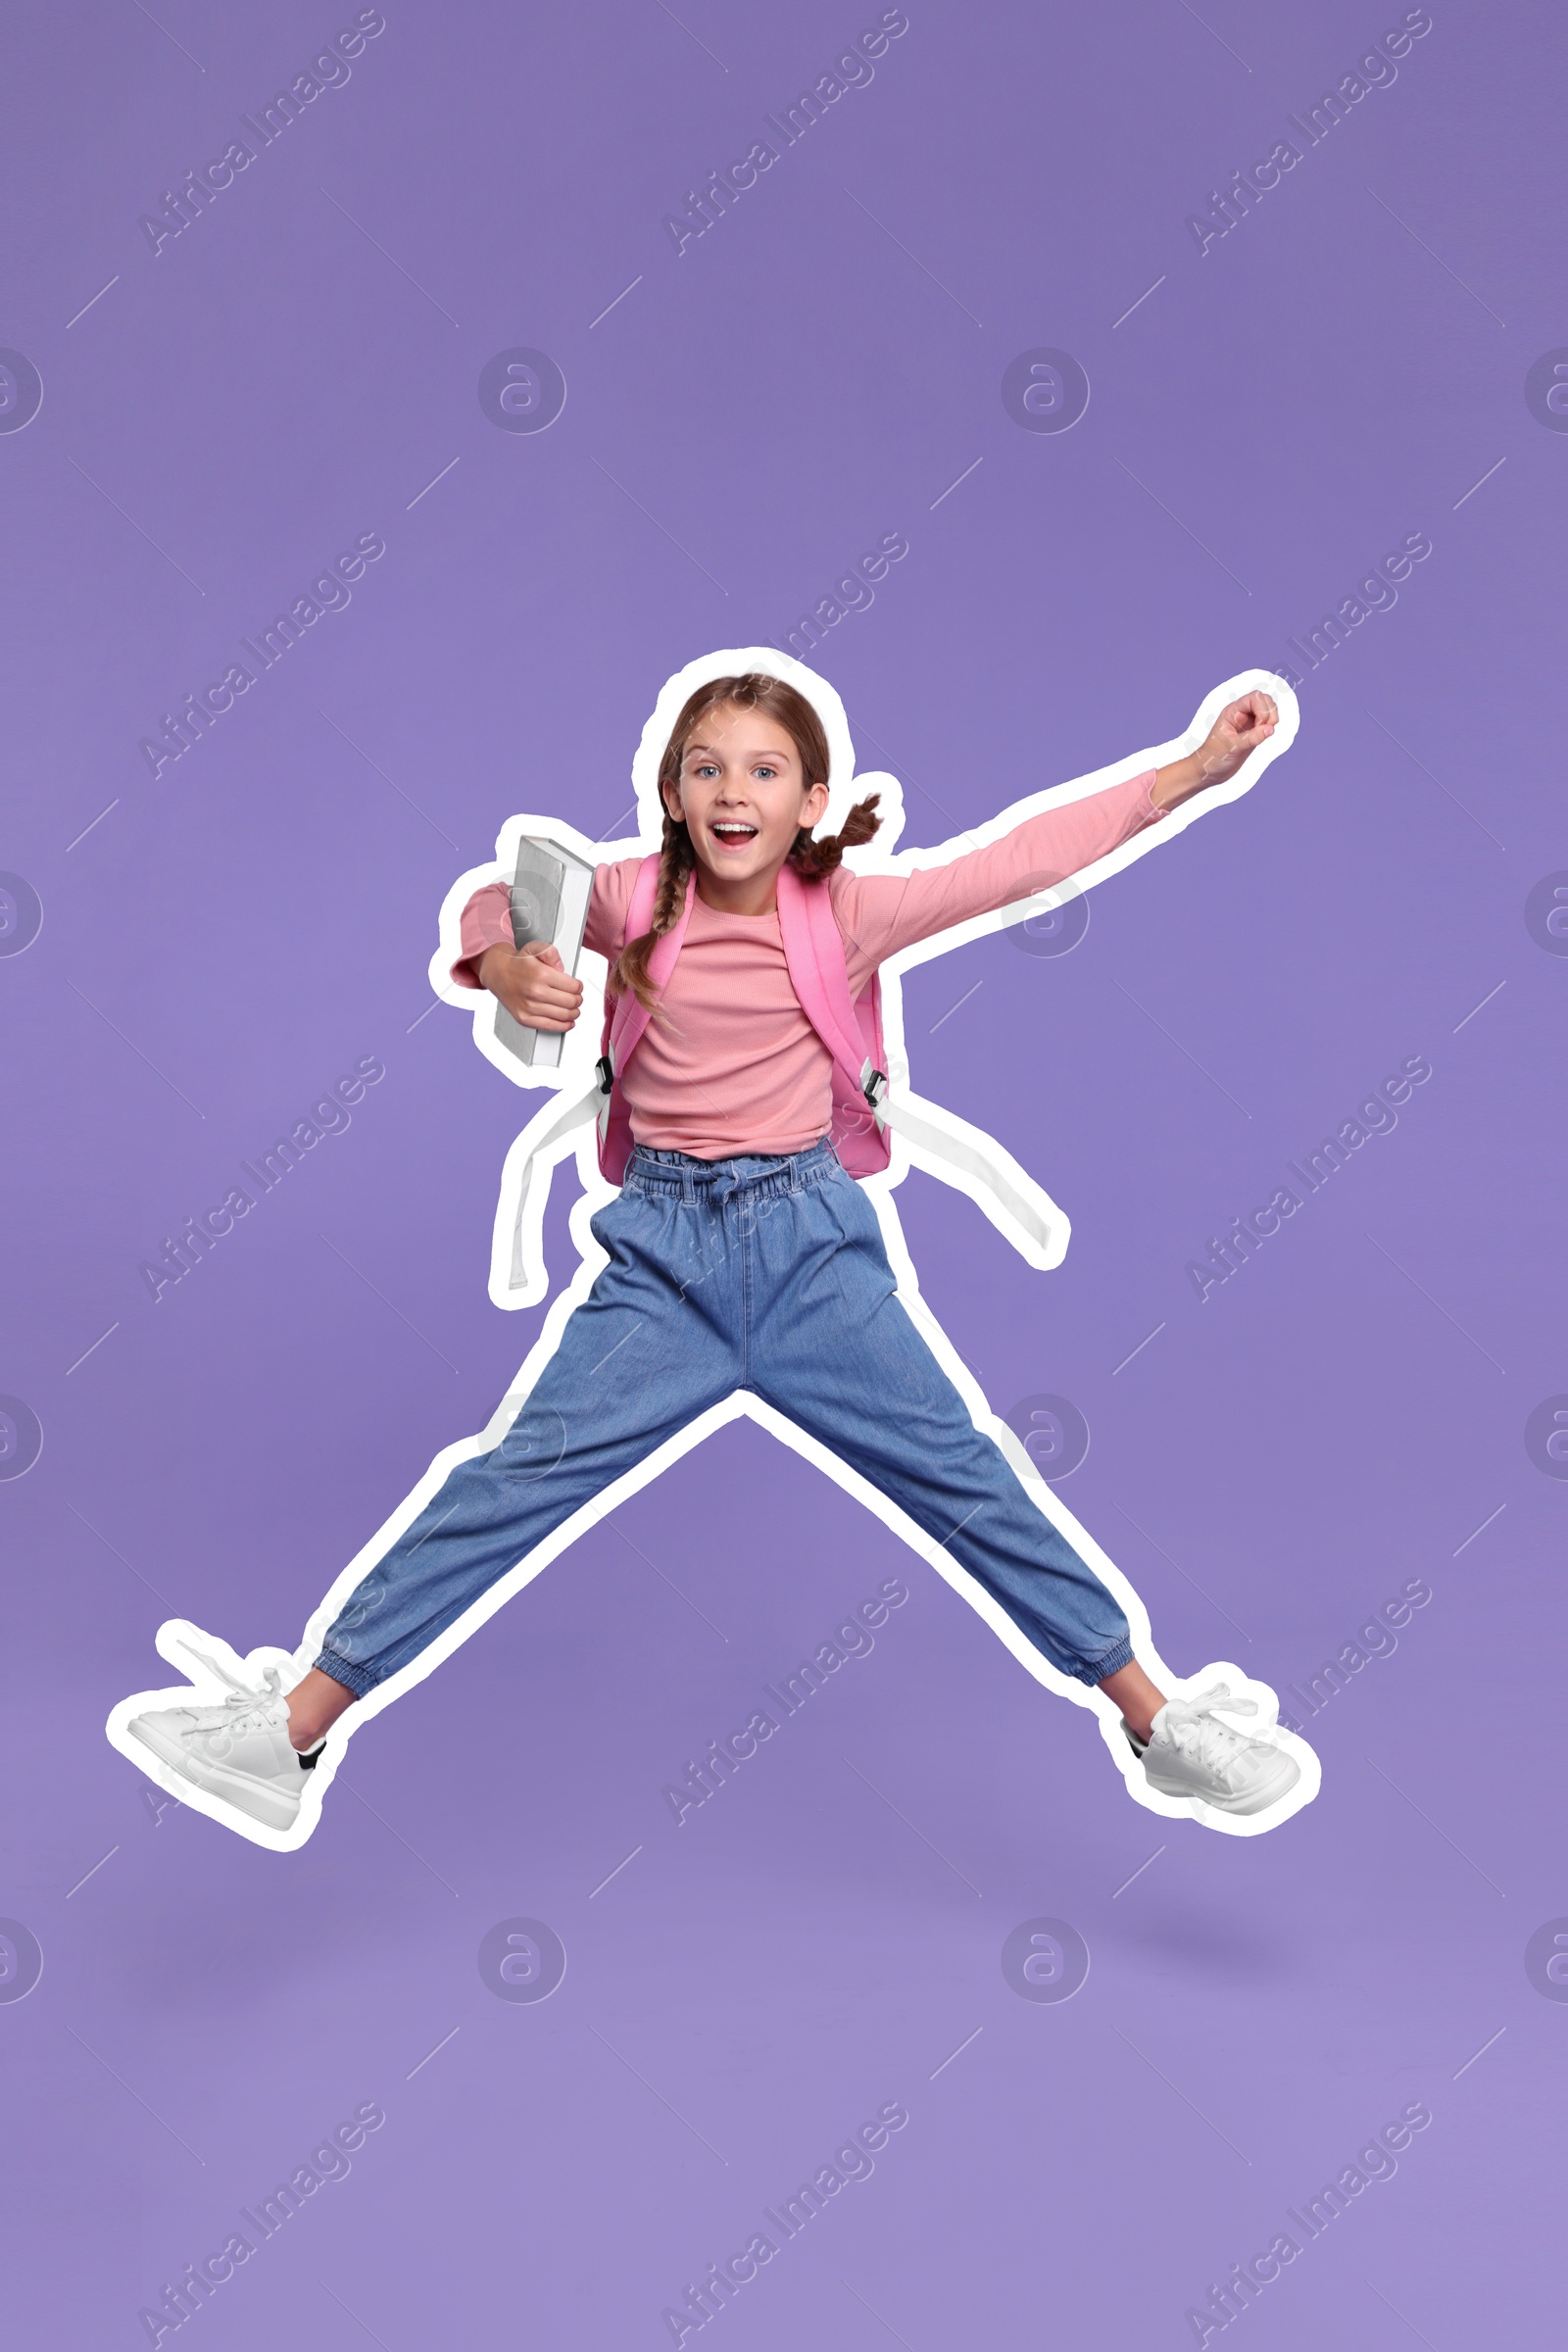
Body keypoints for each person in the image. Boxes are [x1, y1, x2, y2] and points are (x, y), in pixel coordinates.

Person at [121, 667, 1310, 1840]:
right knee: (509, 1482)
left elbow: (1023, 857)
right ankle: (288, 1736)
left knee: (970, 1479)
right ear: (674, 796)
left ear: (808, 800)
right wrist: (506, 964)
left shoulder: (850, 908)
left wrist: (1196, 769)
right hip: (662, 1266)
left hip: (813, 1259)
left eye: (763, 768)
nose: (732, 789)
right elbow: (498, 896)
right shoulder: (632, 899)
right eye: (707, 767)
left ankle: (1160, 1726)